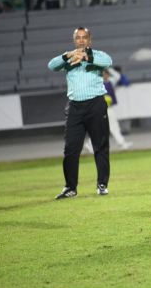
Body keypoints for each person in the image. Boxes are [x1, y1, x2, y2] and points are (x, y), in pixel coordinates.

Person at [48, 27, 112, 199]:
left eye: (84, 37)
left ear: (89, 39)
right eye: (78, 37)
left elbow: (108, 61)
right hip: (75, 107)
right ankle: (70, 187)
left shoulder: (97, 55)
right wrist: (68, 55)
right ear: (74, 40)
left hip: (95, 104)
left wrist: (85, 57)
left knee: (100, 146)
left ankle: (102, 184)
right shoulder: (69, 58)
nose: (81, 40)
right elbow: (51, 65)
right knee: (71, 149)